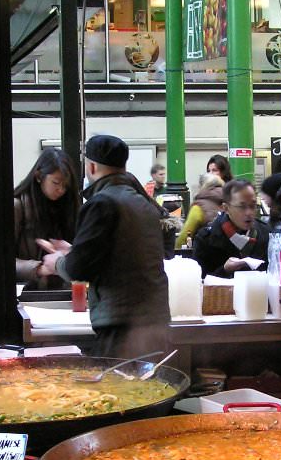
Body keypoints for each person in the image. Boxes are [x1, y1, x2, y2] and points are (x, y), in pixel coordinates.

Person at [38, 134, 169, 358]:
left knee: (118, 389)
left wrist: (56, 262)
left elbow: (79, 269)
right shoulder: (142, 203)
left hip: (121, 325)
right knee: (148, 389)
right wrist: (73, 251)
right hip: (154, 321)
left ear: (91, 166)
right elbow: (123, 255)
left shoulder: (102, 203)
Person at [13, 146, 80, 290]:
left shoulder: (67, 208)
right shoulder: (17, 207)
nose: (61, 190)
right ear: (38, 176)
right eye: (56, 183)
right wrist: (38, 269)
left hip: (61, 293)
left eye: (65, 185)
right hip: (25, 294)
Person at [192, 178, 270, 278]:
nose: (249, 212)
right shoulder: (206, 239)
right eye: (242, 207)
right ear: (226, 208)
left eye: (253, 206)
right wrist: (224, 270)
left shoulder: (266, 233)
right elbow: (199, 281)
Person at [174, 172, 224, 249]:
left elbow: (185, 236)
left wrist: (176, 250)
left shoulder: (199, 207)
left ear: (201, 186)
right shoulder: (229, 201)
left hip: (205, 254)